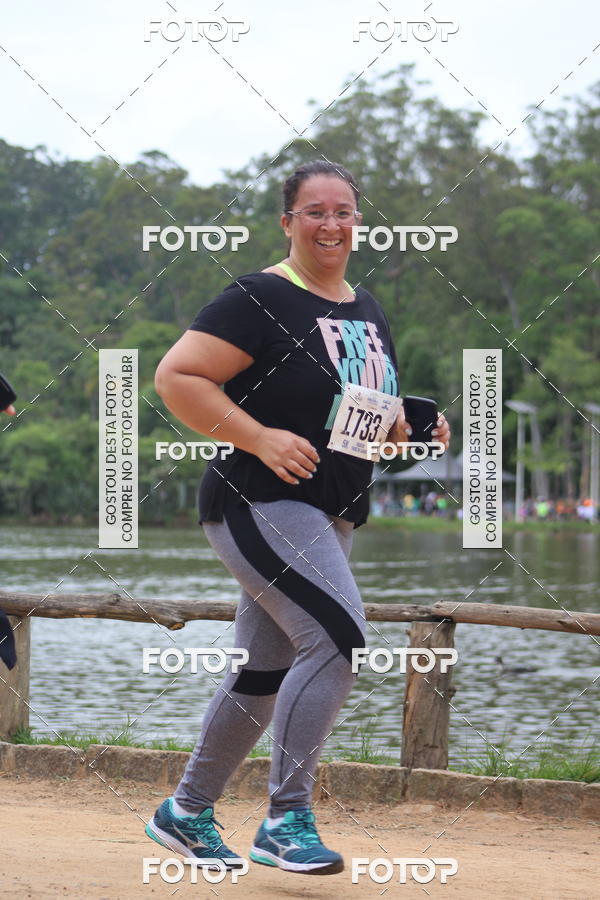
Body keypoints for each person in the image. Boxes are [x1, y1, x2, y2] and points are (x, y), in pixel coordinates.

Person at [148, 160, 451, 876]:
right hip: (259, 500)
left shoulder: (365, 308)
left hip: (333, 509)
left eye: (343, 211)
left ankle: (186, 813)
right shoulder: (259, 297)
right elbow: (176, 377)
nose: (331, 224)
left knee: (265, 667)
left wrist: (413, 421)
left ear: (357, 221)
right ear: (288, 223)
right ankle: (287, 819)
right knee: (340, 634)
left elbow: (356, 419)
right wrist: (255, 436)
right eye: (314, 211)